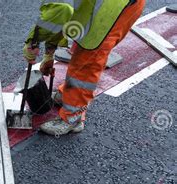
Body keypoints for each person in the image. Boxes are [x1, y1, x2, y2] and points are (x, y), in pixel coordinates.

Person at [23, 0, 146, 136]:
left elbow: (58, 10)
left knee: (89, 58)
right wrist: (48, 53)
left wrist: (32, 42)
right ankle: (68, 95)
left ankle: (73, 117)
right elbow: (58, 12)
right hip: (104, 5)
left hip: (114, 8)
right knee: (82, 41)